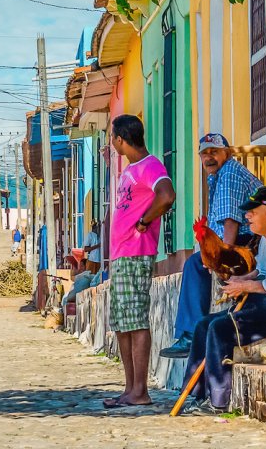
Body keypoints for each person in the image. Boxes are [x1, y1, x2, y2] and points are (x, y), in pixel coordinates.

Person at [183, 185, 266, 413]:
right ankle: (195, 393)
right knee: (203, 325)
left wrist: (245, 285)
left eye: (252, 212)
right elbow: (263, 271)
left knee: (220, 329)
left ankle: (218, 401)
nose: (247, 217)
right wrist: (241, 280)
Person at [161, 132, 263, 358]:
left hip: (246, 243)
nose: (209, 158)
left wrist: (220, 259)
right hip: (240, 241)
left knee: (194, 265)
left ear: (226, 153)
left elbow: (230, 222)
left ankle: (190, 334)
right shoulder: (218, 175)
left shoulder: (229, 175)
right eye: (204, 154)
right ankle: (193, 332)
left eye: (214, 152)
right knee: (198, 262)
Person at [104, 114, 175, 409]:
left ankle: (140, 390)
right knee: (122, 323)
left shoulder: (150, 166)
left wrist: (144, 221)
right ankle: (130, 388)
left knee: (135, 320)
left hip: (136, 253)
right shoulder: (130, 170)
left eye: (112, 136)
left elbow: (167, 196)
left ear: (121, 139)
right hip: (122, 255)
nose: (112, 142)